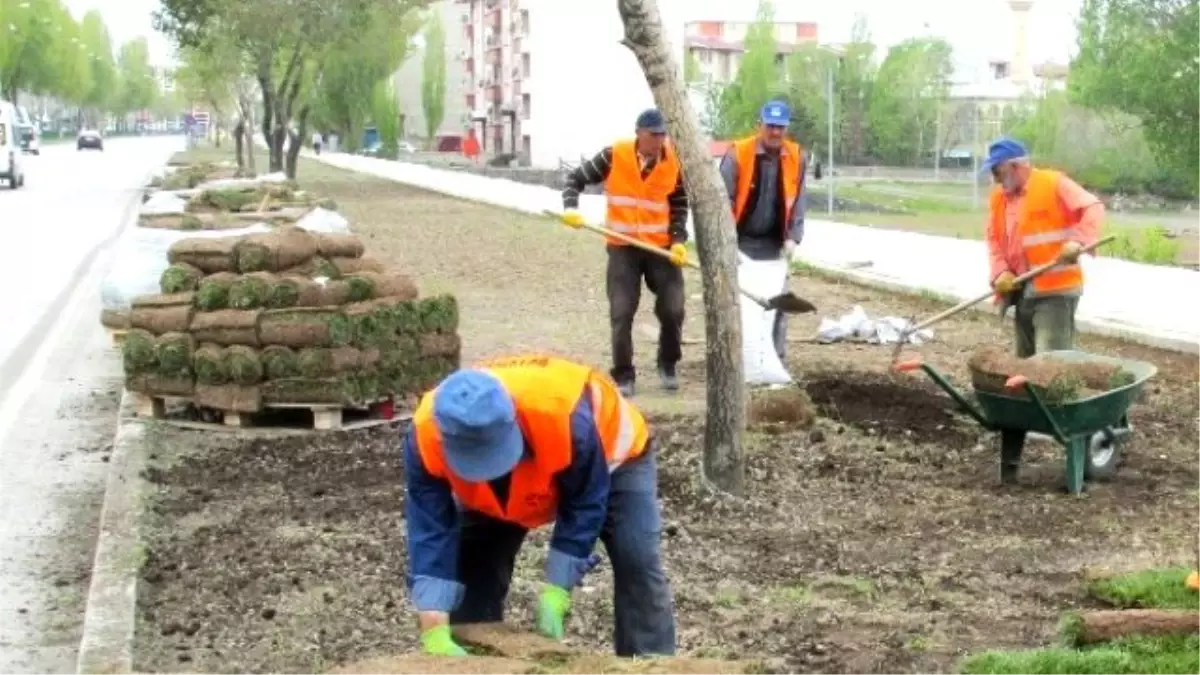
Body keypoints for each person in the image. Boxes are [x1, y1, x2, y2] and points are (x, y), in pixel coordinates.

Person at [403, 354, 676, 657]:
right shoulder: (425, 433)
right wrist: (433, 618)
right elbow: (430, 526)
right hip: (507, 486)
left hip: (614, 461)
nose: (491, 469)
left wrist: (558, 589)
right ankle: (472, 656)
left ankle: (651, 660)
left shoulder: (564, 416)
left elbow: (584, 503)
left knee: (635, 556)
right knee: (473, 563)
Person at [981, 137, 1104, 483]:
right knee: (1024, 367)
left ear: (1017, 165)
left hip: (1056, 288)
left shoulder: (1053, 183)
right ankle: (1030, 424)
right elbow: (993, 240)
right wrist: (1000, 272)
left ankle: (1069, 428)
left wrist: (1077, 241)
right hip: (1021, 291)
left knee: (1050, 362)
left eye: (997, 170)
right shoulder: (998, 199)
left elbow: (1093, 208)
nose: (994, 178)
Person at [560, 109, 690, 397]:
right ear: (639, 133)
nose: (659, 140)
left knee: (673, 308)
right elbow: (574, 180)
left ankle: (667, 362)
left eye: (662, 134)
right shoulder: (614, 155)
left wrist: (679, 239)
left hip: (660, 248)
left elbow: (680, 204)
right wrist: (571, 208)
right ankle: (624, 373)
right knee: (621, 312)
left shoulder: (673, 162)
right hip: (622, 247)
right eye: (654, 134)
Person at [718, 100, 807, 361]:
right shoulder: (737, 155)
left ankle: (774, 360)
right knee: (739, 304)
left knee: (778, 303)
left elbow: (799, 200)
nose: (775, 132)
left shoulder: (796, 156)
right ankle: (737, 361)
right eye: (770, 126)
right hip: (741, 242)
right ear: (760, 126)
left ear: (786, 128)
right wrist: (726, 243)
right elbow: (722, 203)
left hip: (774, 243)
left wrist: (793, 238)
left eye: (780, 127)